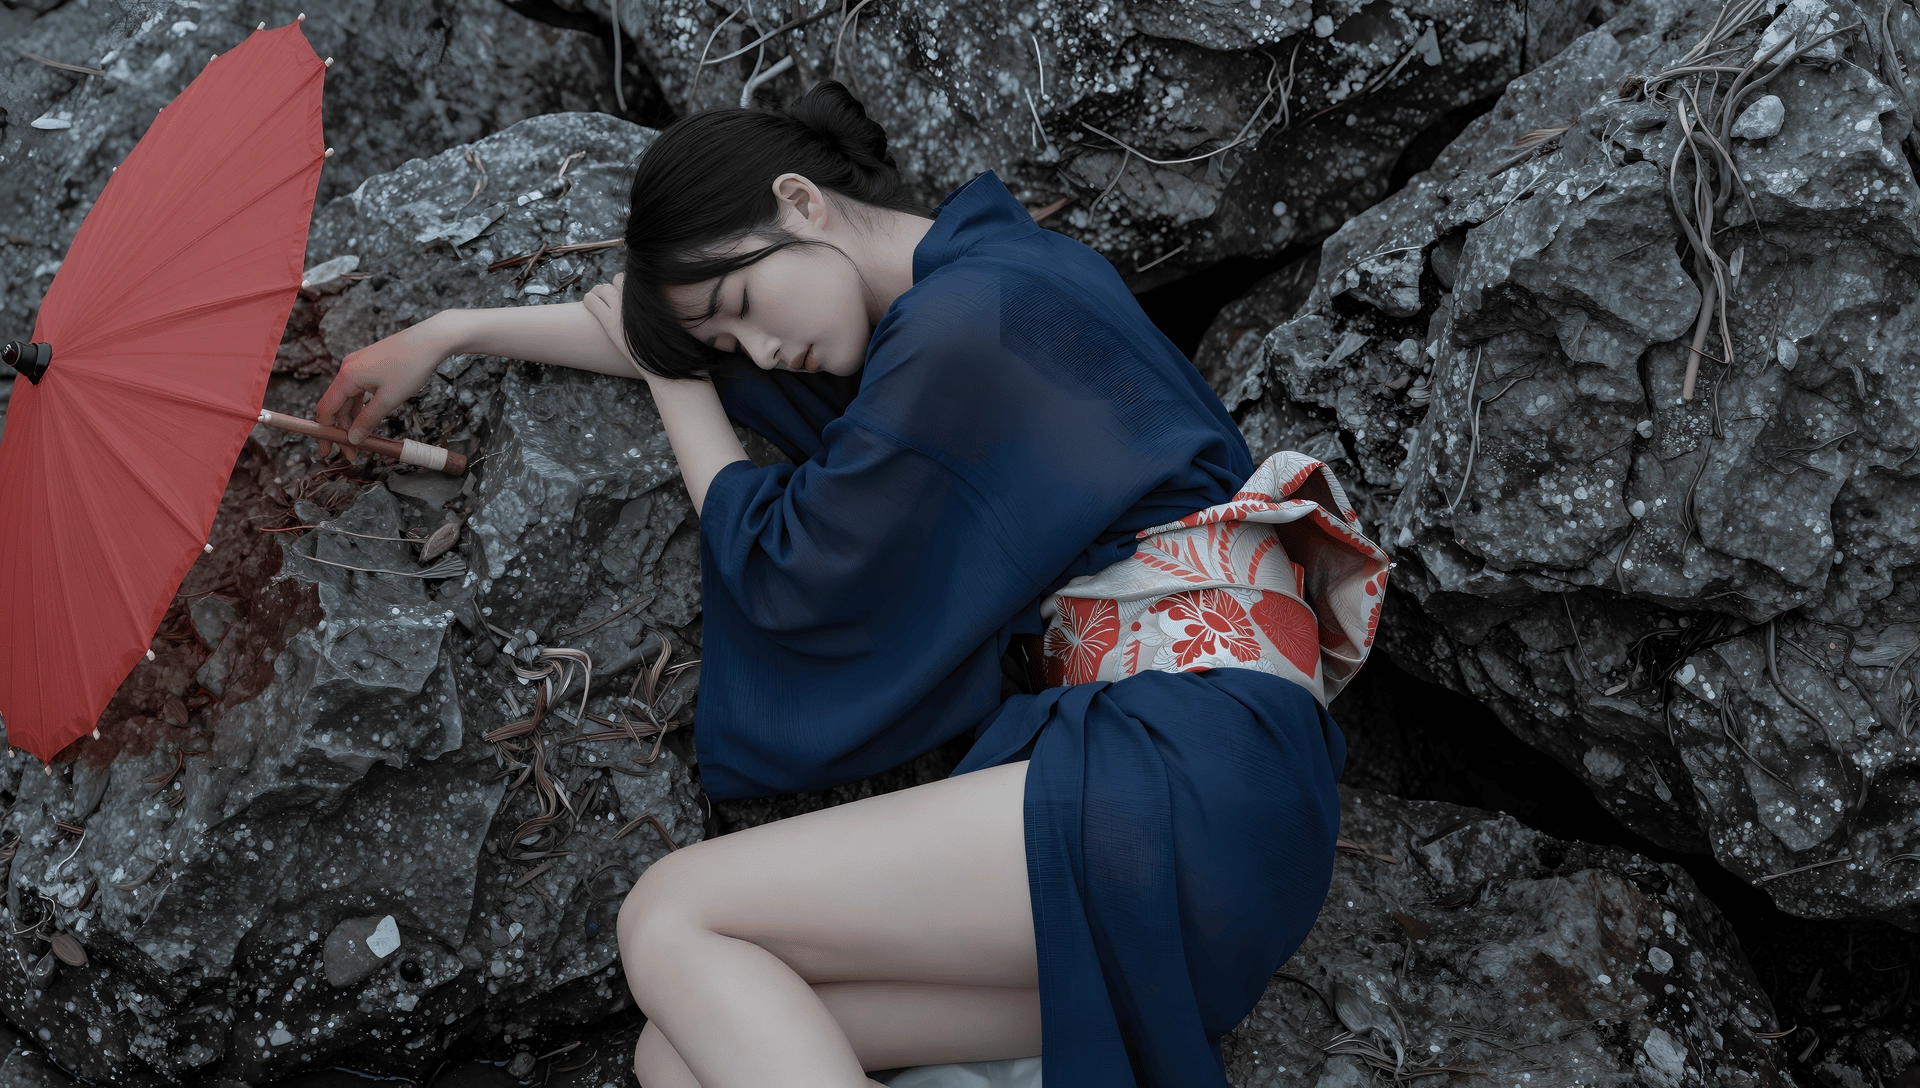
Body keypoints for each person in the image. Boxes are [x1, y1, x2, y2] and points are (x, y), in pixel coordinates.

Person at [315, 81, 1387, 1088]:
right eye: (727, 340)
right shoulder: (987, 281)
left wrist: (673, 383)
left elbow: (795, 569)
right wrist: (455, 334)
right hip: (1219, 821)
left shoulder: (964, 325)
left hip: (1182, 774)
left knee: (670, 917)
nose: (758, 348)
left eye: (741, 302)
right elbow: (702, 352)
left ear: (801, 201)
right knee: (683, 1053)